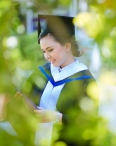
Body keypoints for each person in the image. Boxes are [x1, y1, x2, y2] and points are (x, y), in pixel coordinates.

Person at [11, 15, 99, 146]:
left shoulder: (85, 81)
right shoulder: (41, 72)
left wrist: (57, 117)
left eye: (50, 50)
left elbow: (88, 125)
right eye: (43, 51)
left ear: (67, 45)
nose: (47, 56)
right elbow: (26, 106)